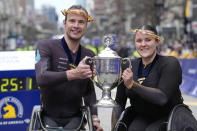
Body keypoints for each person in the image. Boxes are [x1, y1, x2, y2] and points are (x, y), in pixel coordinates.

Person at [35, 5, 103, 131]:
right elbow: (41, 78)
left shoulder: (89, 55)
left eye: (81, 22)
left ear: (86, 26)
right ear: (64, 23)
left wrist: (94, 118)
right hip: (49, 118)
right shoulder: (45, 46)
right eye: (72, 21)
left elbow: (89, 91)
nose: (76, 26)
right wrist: (74, 74)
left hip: (75, 119)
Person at [112, 25, 184, 131]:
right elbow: (119, 103)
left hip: (168, 117)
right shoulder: (128, 65)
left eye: (148, 40)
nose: (143, 44)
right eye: (139, 41)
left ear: (157, 41)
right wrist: (114, 128)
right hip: (141, 116)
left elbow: (162, 98)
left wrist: (132, 85)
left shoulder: (170, 63)